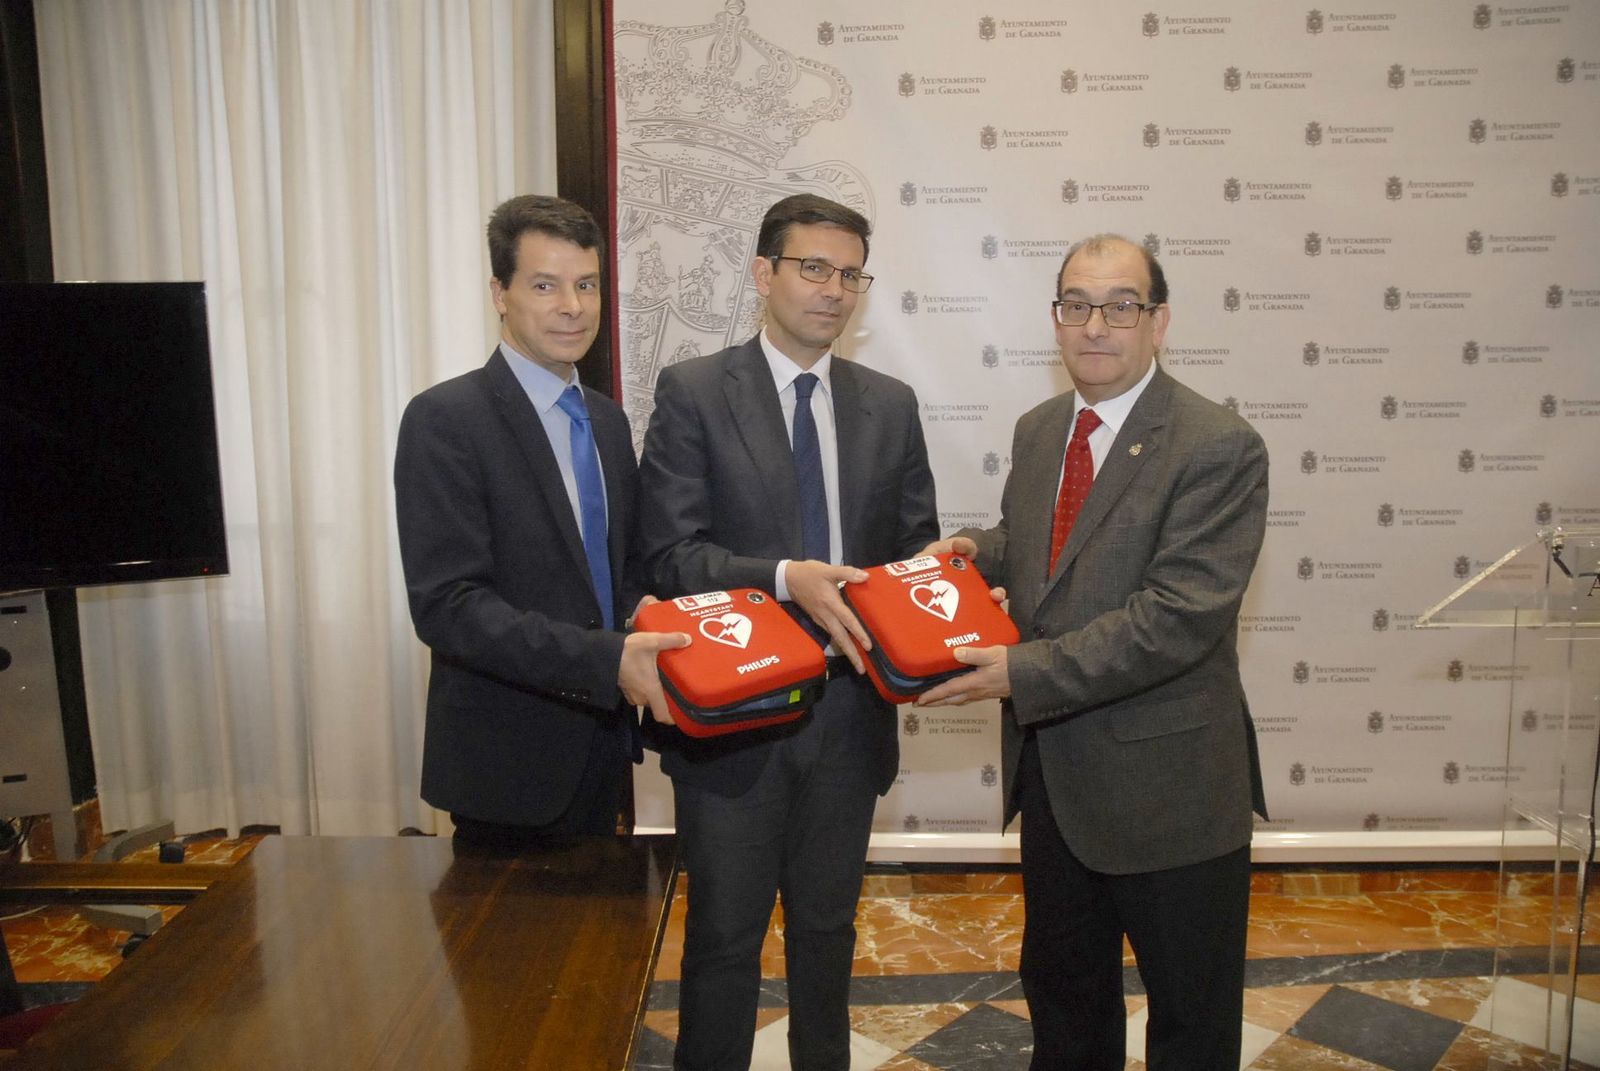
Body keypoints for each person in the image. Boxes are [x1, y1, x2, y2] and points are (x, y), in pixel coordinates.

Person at [919, 234, 1269, 1070]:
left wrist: (1020, 673)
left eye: (1120, 305)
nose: (1096, 325)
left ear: (1159, 321)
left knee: (1190, 1025)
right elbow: (1049, 543)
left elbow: (1176, 617)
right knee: (1066, 1014)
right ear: (1056, 319)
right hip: (1058, 789)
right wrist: (975, 549)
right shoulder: (1043, 428)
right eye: (1076, 304)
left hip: (1171, 795)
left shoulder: (1216, 443)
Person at [637, 194, 939, 1070]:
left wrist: (949, 584)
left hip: (850, 717)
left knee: (827, 936)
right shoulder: (695, 391)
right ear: (764, 272)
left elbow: (909, 551)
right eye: (813, 267)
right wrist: (780, 579)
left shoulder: (890, 402)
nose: (833, 290)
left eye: (850, 274)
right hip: (737, 716)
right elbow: (670, 555)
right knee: (724, 942)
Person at [394, 194, 687, 845]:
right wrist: (607, 658)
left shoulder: (607, 421)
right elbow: (448, 605)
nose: (572, 306)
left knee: (605, 946)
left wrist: (667, 627)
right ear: (500, 292)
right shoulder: (445, 420)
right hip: (507, 767)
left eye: (586, 285)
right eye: (545, 285)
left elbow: (620, 575)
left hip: (607, 752)